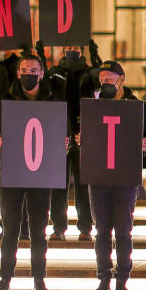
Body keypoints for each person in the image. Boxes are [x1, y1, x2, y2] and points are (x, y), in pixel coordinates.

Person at [0, 54, 58, 290]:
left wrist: (65, 142)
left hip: (41, 173)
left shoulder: (52, 101)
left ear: (41, 73)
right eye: (24, 69)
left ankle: (39, 281)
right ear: (18, 73)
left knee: (39, 231)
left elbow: (62, 134)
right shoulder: (4, 101)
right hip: (12, 171)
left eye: (33, 70)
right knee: (10, 230)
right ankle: (5, 280)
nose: (28, 73)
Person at [84, 61, 146, 290]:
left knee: (123, 231)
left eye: (109, 78)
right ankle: (104, 278)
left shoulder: (136, 106)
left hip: (124, 176)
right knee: (102, 230)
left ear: (121, 79)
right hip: (99, 175)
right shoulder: (93, 106)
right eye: (102, 78)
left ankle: (122, 280)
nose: (105, 82)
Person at [40, 40, 102, 242]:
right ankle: (58, 227)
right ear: (64, 49)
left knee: (83, 184)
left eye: (77, 47)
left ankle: (85, 227)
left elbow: (100, 90)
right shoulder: (55, 72)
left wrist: (96, 58)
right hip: (59, 131)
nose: (73, 50)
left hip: (83, 132)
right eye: (70, 47)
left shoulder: (90, 72)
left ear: (82, 50)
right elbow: (45, 92)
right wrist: (41, 55)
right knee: (58, 184)